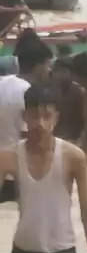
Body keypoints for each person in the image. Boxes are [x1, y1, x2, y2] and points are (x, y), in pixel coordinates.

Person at [0, 84, 87, 253]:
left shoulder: (73, 157)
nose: (40, 123)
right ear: (24, 116)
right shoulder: (8, 157)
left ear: (57, 117)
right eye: (34, 116)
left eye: (47, 116)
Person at [0, 31, 53, 202]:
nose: (49, 70)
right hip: (16, 177)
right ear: (38, 66)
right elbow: (31, 139)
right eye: (47, 65)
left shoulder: (3, 82)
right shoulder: (29, 94)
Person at [50, 50, 85, 143]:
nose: (59, 75)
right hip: (56, 136)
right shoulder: (50, 91)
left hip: (73, 138)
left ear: (72, 74)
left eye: (63, 71)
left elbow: (85, 122)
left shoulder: (78, 92)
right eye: (56, 71)